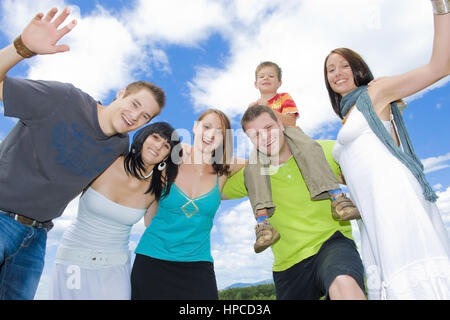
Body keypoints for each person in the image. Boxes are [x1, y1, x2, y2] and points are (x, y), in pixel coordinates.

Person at [0, 8, 166, 300]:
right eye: (135, 104)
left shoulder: (118, 147)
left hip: (37, 236)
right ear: (121, 92)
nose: (135, 116)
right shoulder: (64, 99)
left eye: (145, 117)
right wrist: (20, 48)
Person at [323, 0, 450, 299]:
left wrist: (441, 7)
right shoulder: (346, 118)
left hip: (396, 199)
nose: (338, 72)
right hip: (372, 213)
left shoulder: (375, 92)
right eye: (330, 69)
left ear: (359, 69)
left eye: (345, 65)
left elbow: (440, 65)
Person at [222, 105, 367, 300]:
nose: (264, 138)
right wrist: (232, 162)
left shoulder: (322, 150)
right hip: (288, 262)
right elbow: (211, 191)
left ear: (280, 125)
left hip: (332, 243)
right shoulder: (252, 175)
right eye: (255, 135)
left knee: (343, 282)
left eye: (268, 128)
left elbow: (366, 166)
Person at [50, 122, 180, 300]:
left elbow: (152, 223)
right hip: (73, 260)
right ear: (143, 138)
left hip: (116, 268)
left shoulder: (157, 187)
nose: (158, 146)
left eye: (166, 145)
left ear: (167, 156)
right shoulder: (107, 161)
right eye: (155, 137)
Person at [247, 61, 360, 253]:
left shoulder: (283, 98)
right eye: (262, 76)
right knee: (252, 168)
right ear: (255, 84)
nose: (266, 78)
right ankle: (263, 223)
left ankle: (337, 199)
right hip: (268, 143)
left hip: (290, 135)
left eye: (271, 76)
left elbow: (290, 120)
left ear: (279, 82)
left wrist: (268, 110)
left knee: (310, 147)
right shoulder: (252, 106)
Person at [131, 109, 243, 300]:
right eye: (206, 127)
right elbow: (149, 219)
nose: (210, 135)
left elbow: (262, 164)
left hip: (197, 266)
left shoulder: (223, 171)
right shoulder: (170, 161)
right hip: (152, 262)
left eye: (219, 133)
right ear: (195, 127)